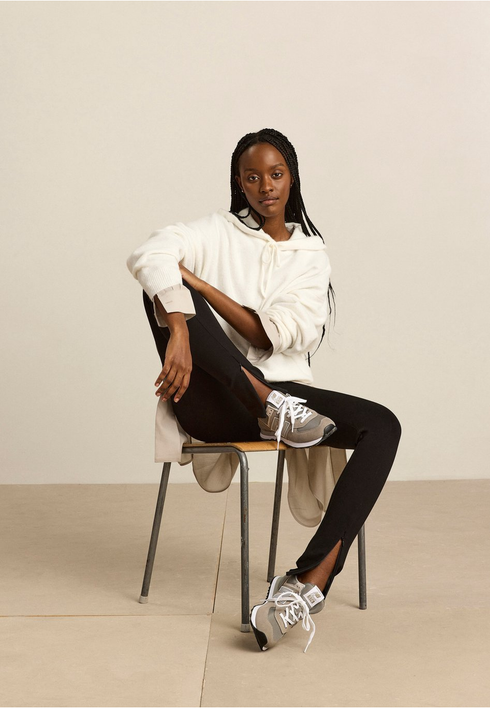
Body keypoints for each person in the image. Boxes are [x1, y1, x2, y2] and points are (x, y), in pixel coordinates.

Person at [127, 128, 402, 653]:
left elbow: (268, 333)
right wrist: (180, 326)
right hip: (211, 399)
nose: (265, 186)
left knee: (382, 425)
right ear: (240, 182)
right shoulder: (216, 230)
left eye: (275, 174)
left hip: (290, 402)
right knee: (161, 289)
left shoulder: (310, 255)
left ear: (292, 178)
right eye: (252, 177)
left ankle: (309, 582)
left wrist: (201, 286)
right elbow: (149, 253)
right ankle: (266, 404)